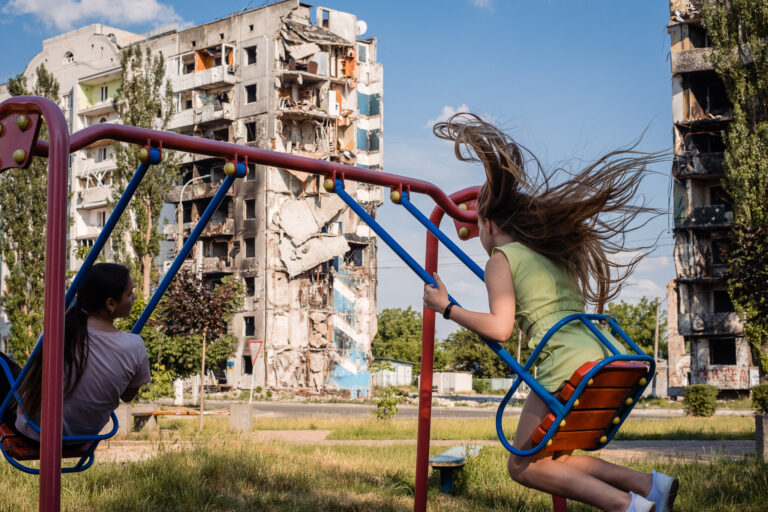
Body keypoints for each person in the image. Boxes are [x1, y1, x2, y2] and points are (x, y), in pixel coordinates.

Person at [423, 114, 678, 512]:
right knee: (552, 458)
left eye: (478, 227)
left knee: (523, 466)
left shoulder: (501, 259)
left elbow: (500, 328)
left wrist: (448, 308)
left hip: (565, 366)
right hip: (605, 355)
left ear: (487, 224)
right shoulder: (549, 253)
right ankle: (650, 487)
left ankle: (628, 506)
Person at [2, 262, 151, 442]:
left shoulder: (58, 332)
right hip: (82, 438)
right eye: (130, 293)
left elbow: (34, 375)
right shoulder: (135, 345)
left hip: (35, 431)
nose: (134, 297)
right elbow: (127, 396)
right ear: (110, 304)